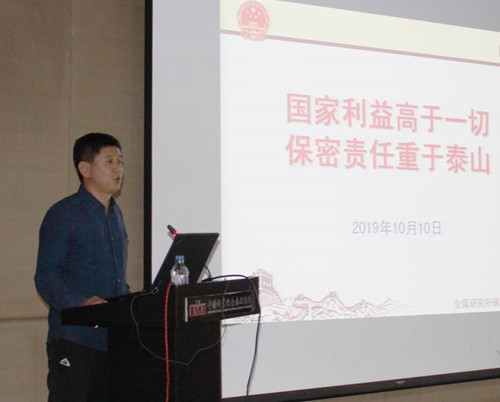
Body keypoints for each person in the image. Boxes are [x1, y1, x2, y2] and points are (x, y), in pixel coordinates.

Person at [35, 132, 129, 401]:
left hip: (112, 340)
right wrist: (81, 304)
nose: (118, 169)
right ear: (85, 169)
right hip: (75, 339)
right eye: (109, 161)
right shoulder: (64, 214)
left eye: (120, 161)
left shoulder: (116, 213)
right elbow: (46, 276)